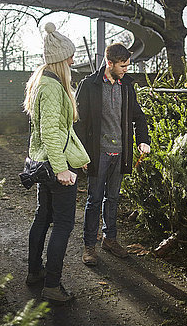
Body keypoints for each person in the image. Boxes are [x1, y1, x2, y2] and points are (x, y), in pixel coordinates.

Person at [23, 22, 90, 302]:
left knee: (43, 216)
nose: (74, 60)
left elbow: (57, 132)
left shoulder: (43, 82)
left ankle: (35, 272)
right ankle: (52, 285)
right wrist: (63, 167)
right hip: (54, 167)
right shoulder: (51, 88)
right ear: (60, 59)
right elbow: (52, 132)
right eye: (70, 56)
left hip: (43, 164)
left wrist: (77, 158)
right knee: (63, 224)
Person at [74, 42, 150, 266]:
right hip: (98, 154)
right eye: (123, 65)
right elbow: (79, 123)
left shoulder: (126, 86)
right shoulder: (90, 85)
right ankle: (89, 246)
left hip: (121, 153)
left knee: (113, 198)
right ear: (110, 63)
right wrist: (82, 155)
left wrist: (143, 140)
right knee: (94, 200)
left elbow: (139, 116)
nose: (127, 69)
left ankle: (110, 239)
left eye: (128, 65)